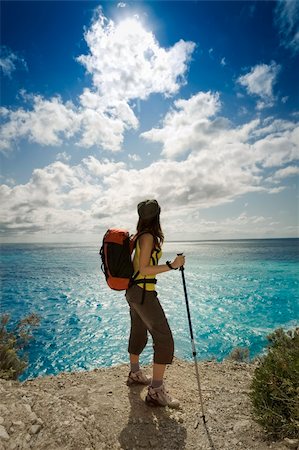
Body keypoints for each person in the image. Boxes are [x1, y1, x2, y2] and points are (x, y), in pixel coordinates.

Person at [125, 199, 185, 408]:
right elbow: (143, 269)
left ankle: (135, 374)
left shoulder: (138, 236)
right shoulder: (148, 237)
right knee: (164, 338)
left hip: (133, 291)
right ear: (157, 216)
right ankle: (156, 392)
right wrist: (172, 265)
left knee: (139, 331)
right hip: (143, 293)